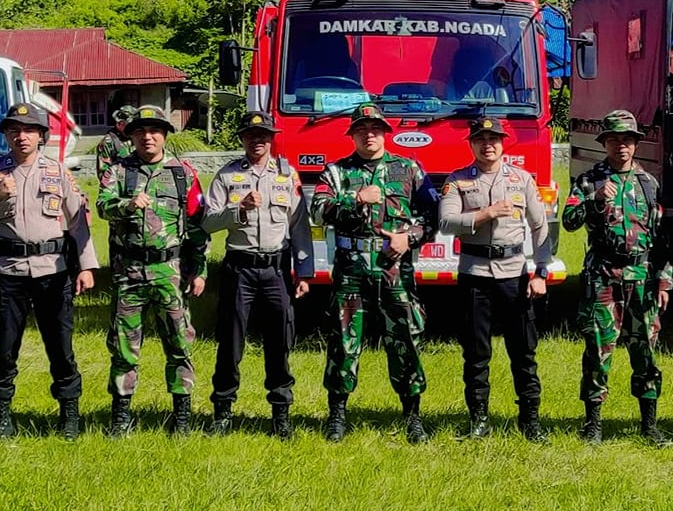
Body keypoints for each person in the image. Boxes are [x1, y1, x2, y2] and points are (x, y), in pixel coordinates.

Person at [0, 100, 98, 440]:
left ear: (41, 136)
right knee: (5, 349)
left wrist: (87, 266)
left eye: (29, 131)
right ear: (6, 135)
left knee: (61, 348)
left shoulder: (58, 172)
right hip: (11, 273)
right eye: (14, 130)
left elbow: (79, 220)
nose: (22, 137)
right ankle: (0, 418)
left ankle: (69, 417)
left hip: (54, 271)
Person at [314, 103, 441, 443]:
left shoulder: (409, 168)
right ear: (352, 134)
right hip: (351, 271)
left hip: (394, 271)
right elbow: (318, 210)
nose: (369, 134)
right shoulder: (337, 172)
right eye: (361, 129)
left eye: (375, 129)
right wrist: (354, 198)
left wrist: (408, 237)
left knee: (405, 341)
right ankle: (337, 415)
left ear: (385, 132)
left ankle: (412, 416)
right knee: (343, 341)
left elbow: (434, 215)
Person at [95, 105, 209, 436]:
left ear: (164, 135)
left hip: (169, 271)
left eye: (155, 130)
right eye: (141, 131)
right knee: (124, 345)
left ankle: (182, 416)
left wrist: (199, 269)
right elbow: (102, 207)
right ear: (130, 136)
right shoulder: (118, 171)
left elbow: (197, 225)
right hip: (129, 270)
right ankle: (121, 416)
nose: (148, 136)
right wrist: (127, 204)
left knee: (179, 343)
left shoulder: (182, 173)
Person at [563, 109, 673, 444]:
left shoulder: (648, 184)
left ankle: (649, 425)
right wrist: (594, 200)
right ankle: (593, 423)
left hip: (642, 276)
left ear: (636, 144)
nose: (621, 146)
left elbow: (662, 238)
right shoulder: (590, 180)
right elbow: (569, 220)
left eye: (627, 140)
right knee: (598, 348)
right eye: (614, 140)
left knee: (646, 350)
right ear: (604, 143)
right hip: (604, 275)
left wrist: (665, 280)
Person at [201, 110, 313, 439]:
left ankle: (280, 413)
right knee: (230, 343)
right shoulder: (227, 176)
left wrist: (304, 270)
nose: (257, 141)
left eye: (263, 136)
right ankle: (222, 411)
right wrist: (238, 210)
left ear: (272, 139)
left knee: (279, 342)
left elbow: (300, 226)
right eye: (251, 136)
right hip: (240, 268)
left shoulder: (286, 174)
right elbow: (207, 223)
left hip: (276, 269)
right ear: (242, 140)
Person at [439, 116, 552, 442]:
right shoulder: (458, 181)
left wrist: (540, 271)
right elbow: (446, 223)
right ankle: (478, 420)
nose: (488, 144)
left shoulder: (521, 180)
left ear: (504, 143)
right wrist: (485, 214)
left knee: (524, 352)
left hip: (514, 274)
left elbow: (539, 227)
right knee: (476, 353)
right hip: (475, 274)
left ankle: (530, 421)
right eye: (481, 139)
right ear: (471, 144)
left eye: (494, 139)